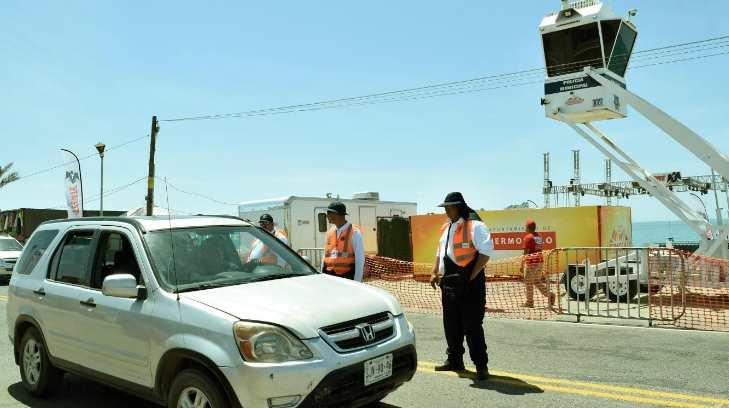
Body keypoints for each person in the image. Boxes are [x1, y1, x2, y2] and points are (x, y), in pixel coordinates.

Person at [429, 192, 493, 381]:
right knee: (451, 326)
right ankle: (454, 360)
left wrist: (471, 278)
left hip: (470, 285)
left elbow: (485, 253)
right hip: (449, 283)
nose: (446, 211)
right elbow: (440, 252)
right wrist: (434, 272)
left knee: (472, 326)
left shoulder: (476, 226)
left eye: (448, 208)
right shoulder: (447, 228)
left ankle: (481, 366)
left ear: (458, 207)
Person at [321, 201, 365, 281]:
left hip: (346, 277)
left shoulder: (354, 232)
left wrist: (357, 282)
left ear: (336, 214)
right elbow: (325, 255)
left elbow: (360, 260)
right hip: (329, 276)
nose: (327, 216)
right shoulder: (330, 232)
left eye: (328, 213)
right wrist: (322, 274)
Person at [522, 219, 555, 308]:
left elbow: (526, 253)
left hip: (531, 263)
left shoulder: (528, 237)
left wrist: (522, 265)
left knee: (528, 282)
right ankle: (550, 295)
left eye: (525, 226)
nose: (525, 228)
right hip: (540, 262)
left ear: (528, 227)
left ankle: (530, 302)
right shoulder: (539, 237)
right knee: (536, 281)